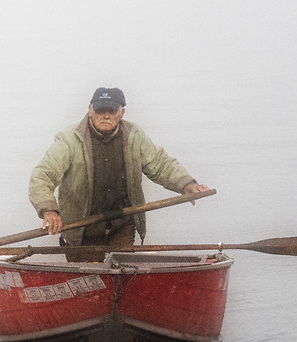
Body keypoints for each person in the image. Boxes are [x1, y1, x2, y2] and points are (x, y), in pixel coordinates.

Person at [29, 87, 212, 260]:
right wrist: (49, 209)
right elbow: (43, 175)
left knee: (122, 271)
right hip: (82, 228)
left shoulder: (134, 135)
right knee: (87, 277)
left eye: (112, 111)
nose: (106, 116)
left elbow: (160, 164)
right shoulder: (69, 139)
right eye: (100, 111)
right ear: (90, 110)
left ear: (122, 113)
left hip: (122, 224)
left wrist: (186, 184)